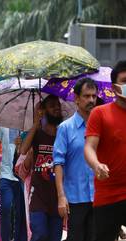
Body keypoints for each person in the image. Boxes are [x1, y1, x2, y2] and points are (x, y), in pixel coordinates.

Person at [84, 60, 126, 241]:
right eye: (125, 81)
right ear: (115, 86)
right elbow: (89, 147)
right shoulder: (100, 113)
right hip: (108, 195)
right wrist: (96, 165)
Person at [53, 78, 98, 241]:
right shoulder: (65, 128)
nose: (91, 100)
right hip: (75, 199)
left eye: (94, 96)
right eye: (86, 96)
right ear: (76, 99)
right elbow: (58, 163)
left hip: (99, 197)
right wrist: (61, 196)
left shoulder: (102, 126)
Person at [22, 95, 63, 241]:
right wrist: (35, 123)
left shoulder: (64, 133)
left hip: (57, 195)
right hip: (38, 194)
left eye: (58, 105)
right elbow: (23, 150)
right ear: (44, 110)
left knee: (54, 237)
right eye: (52, 105)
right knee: (39, 233)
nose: (56, 108)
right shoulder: (37, 133)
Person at [0, 126, 26, 241]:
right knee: (5, 207)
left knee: (20, 211)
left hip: (22, 175)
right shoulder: (1, 121)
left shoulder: (27, 122)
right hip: (5, 174)